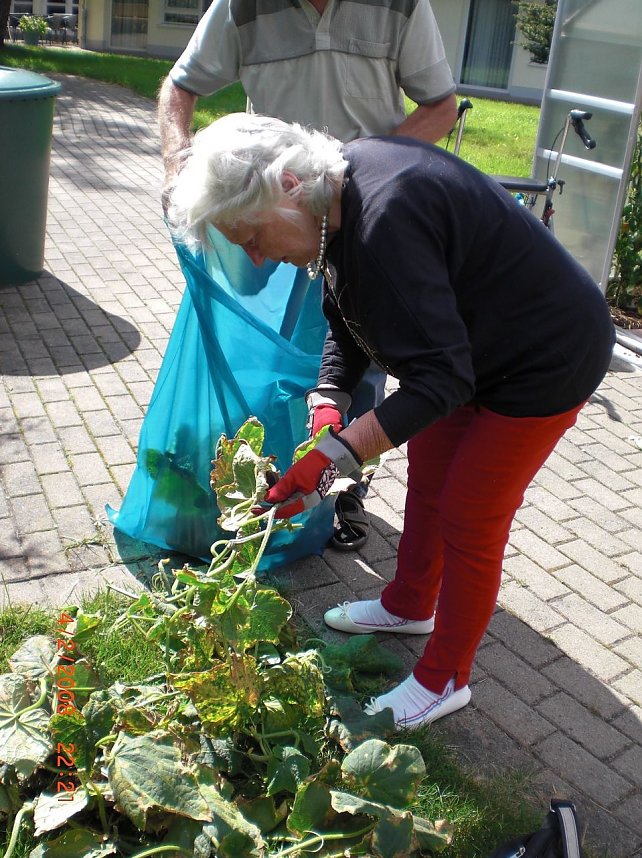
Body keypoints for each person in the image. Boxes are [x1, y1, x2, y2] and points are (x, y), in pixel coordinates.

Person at [168, 113, 616, 729]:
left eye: (250, 234)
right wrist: (329, 398)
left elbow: (440, 380)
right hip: (470, 349)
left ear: (289, 184)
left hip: (547, 357)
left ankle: (445, 679)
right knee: (429, 478)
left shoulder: (384, 219)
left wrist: (333, 456)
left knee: (468, 512)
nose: (256, 254)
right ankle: (410, 604)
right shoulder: (334, 198)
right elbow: (345, 299)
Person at [157, 0, 457, 551]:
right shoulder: (240, 7)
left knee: (357, 358)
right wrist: (181, 165)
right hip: (268, 215)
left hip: (353, 214)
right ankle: (257, 475)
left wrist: (360, 170)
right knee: (263, 354)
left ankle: (341, 486)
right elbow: (180, 86)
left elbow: (442, 105)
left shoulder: (402, 6)